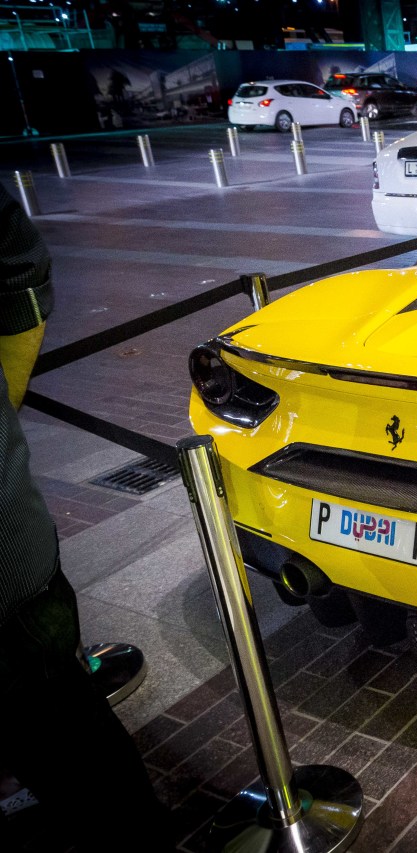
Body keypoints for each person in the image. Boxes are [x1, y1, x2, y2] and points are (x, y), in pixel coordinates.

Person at [0, 191, 173, 851]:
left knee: (80, 760)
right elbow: (21, 272)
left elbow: (19, 268)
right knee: (83, 762)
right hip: (14, 582)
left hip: (10, 594)